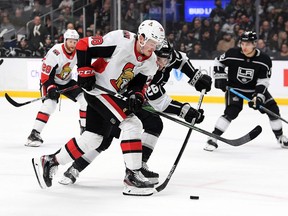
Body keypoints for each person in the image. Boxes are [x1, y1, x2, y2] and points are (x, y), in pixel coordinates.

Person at [32, 20, 166, 196]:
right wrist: (84, 70)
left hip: (110, 94)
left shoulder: (151, 61)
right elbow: (83, 45)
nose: (153, 47)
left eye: (156, 44)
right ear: (141, 37)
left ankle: (51, 161)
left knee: (93, 138)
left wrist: (136, 95)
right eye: (151, 42)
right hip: (98, 90)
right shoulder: (121, 40)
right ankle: (132, 177)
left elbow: (139, 84)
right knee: (132, 124)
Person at [58, 39, 212, 186]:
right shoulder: (148, 67)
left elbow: (181, 60)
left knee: (154, 124)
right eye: (159, 59)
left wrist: (195, 77)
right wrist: (184, 111)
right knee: (105, 138)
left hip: (130, 99)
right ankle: (75, 168)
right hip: (116, 97)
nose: (162, 64)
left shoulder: (166, 57)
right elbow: (159, 102)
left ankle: (139, 167)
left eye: (165, 60)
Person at [204, 31, 288, 152]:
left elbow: (263, 81)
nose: (244, 47)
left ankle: (280, 137)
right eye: (242, 43)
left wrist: (258, 97)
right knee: (231, 112)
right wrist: (220, 77)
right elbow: (218, 62)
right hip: (234, 89)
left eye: (248, 44)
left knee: (273, 110)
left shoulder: (264, 60)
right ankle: (213, 137)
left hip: (254, 90)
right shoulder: (232, 53)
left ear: (254, 44)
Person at [26, 29, 87, 147]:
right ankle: (34, 134)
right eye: (70, 42)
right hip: (50, 81)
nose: (72, 45)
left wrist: (84, 80)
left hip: (66, 81)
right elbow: (45, 75)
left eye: (75, 42)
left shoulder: (78, 51)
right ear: (65, 41)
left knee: (84, 99)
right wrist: (51, 88)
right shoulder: (55, 52)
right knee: (50, 105)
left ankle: (84, 129)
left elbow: (82, 67)